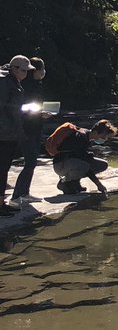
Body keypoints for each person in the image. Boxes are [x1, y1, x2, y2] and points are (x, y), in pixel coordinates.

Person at [0, 55, 33, 216]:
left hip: (9, 132)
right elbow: (7, 108)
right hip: (4, 133)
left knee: (4, 168)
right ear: (15, 68)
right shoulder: (5, 82)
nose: (26, 74)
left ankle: (1, 202)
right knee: (2, 168)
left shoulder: (11, 81)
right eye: (24, 70)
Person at [51, 119, 118, 198]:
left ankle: (75, 183)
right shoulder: (81, 138)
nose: (104, 139)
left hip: (70, 162)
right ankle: (65, 183)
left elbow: (81, 156)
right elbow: (85, 166)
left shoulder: (86, 135)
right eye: (103, 137)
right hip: (60, 165)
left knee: (102, 165)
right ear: (96, 132)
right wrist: (98, 184)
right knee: (84, 166)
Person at [11, 57, 46, 205]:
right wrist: (39, 113)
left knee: (32, 162)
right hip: (26, 129)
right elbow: (23, 109)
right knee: (30, 162)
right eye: (43, 68)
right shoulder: (26, 86)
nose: (44, 71)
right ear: (36, 70)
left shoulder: (37, 84)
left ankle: (24, 193)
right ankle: (16, 196)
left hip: (36, 126)